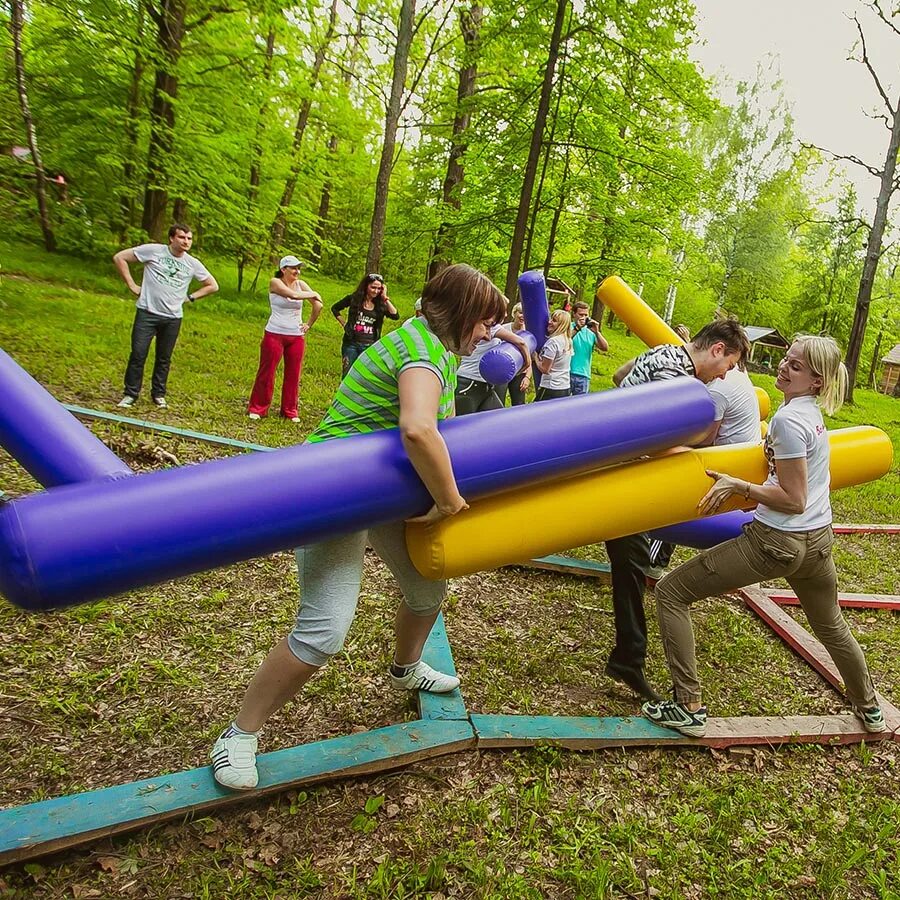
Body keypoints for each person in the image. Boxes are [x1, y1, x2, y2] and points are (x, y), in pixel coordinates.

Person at [210, 263, 508, 791]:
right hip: (336, 493)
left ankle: (405, 668)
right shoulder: (420, 354)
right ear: (462, 316)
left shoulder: (429, 344)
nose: (488, 334)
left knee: (425, 590)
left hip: (382, 494)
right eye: (485, 322)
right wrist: (448, 500)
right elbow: (417, 429)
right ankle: (238, 734)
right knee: (324, 630)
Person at [643, 336, 886, 737]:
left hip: (775, 542)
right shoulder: (809, 414)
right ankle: (869, 706)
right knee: (831, 627)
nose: (784, 367)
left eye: (795, 366)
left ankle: (688, 706)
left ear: (817, 382)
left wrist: (739, 486)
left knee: (671, 592)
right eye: (786, 359)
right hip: (817, 542)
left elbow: (793, 497)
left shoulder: (788, 421)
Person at [604, 320, 751, 701]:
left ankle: (628, 659)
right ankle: (628, 661)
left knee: (630, 564)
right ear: (717, 349)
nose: (724, 376)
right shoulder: (678, 377)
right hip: (619, 481)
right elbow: (654, 436)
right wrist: (693, 460)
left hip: (622, 475)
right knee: (631, 564)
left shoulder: (663, 353)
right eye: (728, 365)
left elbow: (621, 375)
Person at [114, 223, 218, 408]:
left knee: (164, 357)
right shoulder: (153, 251)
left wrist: (190, 297)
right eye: (181, 237)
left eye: (189, 238)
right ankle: (130, 394)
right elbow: (120, 257)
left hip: (172, 317)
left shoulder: (192, 263)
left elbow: (212, 285)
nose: (186, 241)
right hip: (147, 312)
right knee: (138, 353)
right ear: (171, 238)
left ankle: (158, 394)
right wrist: (131, 284)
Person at [247, 256, 323, 422]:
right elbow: (293, 296)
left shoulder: (301, 284)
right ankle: (258, 408)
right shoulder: (275, 282)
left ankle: (289, 410)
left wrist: (308, 324)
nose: (297, 271)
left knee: (293, 374)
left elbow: (318, 304)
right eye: (293, 268)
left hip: (296, 336)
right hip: (274, 333)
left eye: (299, 268)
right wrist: (314, 293)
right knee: (267, 372)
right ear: (283, 269)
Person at [455, 311, 531, 415]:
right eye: (503, 310)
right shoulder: (490, 326)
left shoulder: (488, 325)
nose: (505, 314)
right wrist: (527, 362)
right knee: (461, 425)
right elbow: (521, 342)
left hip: (485, 385)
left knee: (498, 419)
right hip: (469, 382)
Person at [332, 273, 400, 376]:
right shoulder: (354, 299)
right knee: (348, 374)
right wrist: (344, 323)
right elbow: (335, 308)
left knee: (365, 376)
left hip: (370, 346)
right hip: (351, 344)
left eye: (379, 288)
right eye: (373, 287)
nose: (375, 291)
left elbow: (395, 315)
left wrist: (385, 297)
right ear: (366, 286)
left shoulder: (380, 304)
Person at [570, 301, 609, 395]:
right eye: (580, 314)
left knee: (579, 407)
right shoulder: (569, 326)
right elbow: (564, 341)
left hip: (584, 374)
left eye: (585, 315)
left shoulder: (591, 331)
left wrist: (597, 332)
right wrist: (577, 328)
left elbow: (605, 348)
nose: (583, 317)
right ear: (574, 314)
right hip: (567, 372)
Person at [534, 309, 573, 401]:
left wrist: (535, 357)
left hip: (551, 387)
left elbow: (545, 369)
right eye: (551, 319)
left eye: (554, 321)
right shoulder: (568, 340)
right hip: (565, 386)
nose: (549, 322)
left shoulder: (553, 342)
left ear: (561, 325)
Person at [500, 303, 531, 406]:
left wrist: (527, 377)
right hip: (503, 371)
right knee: (499, 402)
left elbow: (531, 357)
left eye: (525, 313)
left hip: (520, 372)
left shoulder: (528, 333)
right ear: (514, 313)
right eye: (520, 313)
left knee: (519, 404)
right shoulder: (503, 329)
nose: (523, 316)